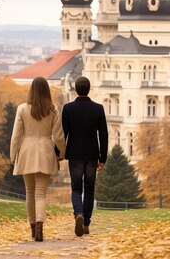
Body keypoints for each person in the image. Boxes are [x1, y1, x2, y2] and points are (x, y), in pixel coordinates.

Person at [10, 76, 66, 242]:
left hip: (27, 151)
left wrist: (13, 154)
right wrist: (62, 152)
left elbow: (16, 135)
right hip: (46, 151)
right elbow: (59, 136)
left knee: (30, 192)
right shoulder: (53, 110)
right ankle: (41, 224)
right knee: (41, 193)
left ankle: (33, 227)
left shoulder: (22, 109)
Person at [61, 76, 108, 237]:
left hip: (74, 155)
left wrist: (58, 152)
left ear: (75, 89)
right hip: (92, 155)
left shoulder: (67, 108)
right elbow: (103, 135)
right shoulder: (98, 109)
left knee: (75, 188)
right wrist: (103, 158)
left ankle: (78, 214)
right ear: (89, 89)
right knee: (89, 189)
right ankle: (86, 223)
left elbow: (63, 134)